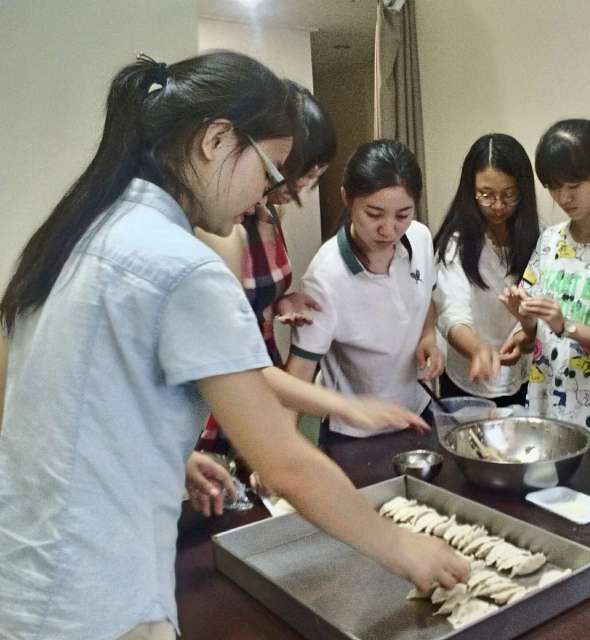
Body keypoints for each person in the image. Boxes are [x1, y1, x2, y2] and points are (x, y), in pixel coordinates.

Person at [0, 52, 466, 640]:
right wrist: (401, 547)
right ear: (217, 140)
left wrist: (161, 456)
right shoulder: (182, 266)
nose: (268, 195)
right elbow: (284, 463)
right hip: (95, 598)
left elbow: (39, 398)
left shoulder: (84, 229)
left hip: (22, 579)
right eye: (270, 170)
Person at [185, 84, 428, 516]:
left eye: (313, 178)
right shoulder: (220, 230)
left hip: (259, 376)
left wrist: (277, 301)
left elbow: (247, 307)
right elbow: (233, 358)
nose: (298, 189)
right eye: (292, 172)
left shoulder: (262, 213)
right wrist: (341, 409)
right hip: (230, 390)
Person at [285, 139, 444, 445]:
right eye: (374, 214)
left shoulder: (420, 238)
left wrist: (428, 336)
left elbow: (426, 299)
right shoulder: (326, 278)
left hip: (416, 412)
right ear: (346, 197)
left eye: (403, 215)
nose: (389, 229)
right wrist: (280, 448)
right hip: (354, 432)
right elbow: (299, 373)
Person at [500, 119, 590, 441]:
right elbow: (537, 333)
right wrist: (524, 321)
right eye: (553, 186)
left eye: (573, 185)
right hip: (547, 409)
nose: (563, 197)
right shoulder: (550, 239)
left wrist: (566, 326)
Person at [432, 133, 539, 406]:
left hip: (522, 374)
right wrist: (478, 350)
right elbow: (451, 311)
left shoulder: (541, 239)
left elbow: (538, 307)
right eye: (486, 195)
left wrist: (522, 337)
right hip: (467, 374)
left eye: (509, 195)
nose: (498, 205)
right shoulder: (456, 244)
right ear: (470, 191)